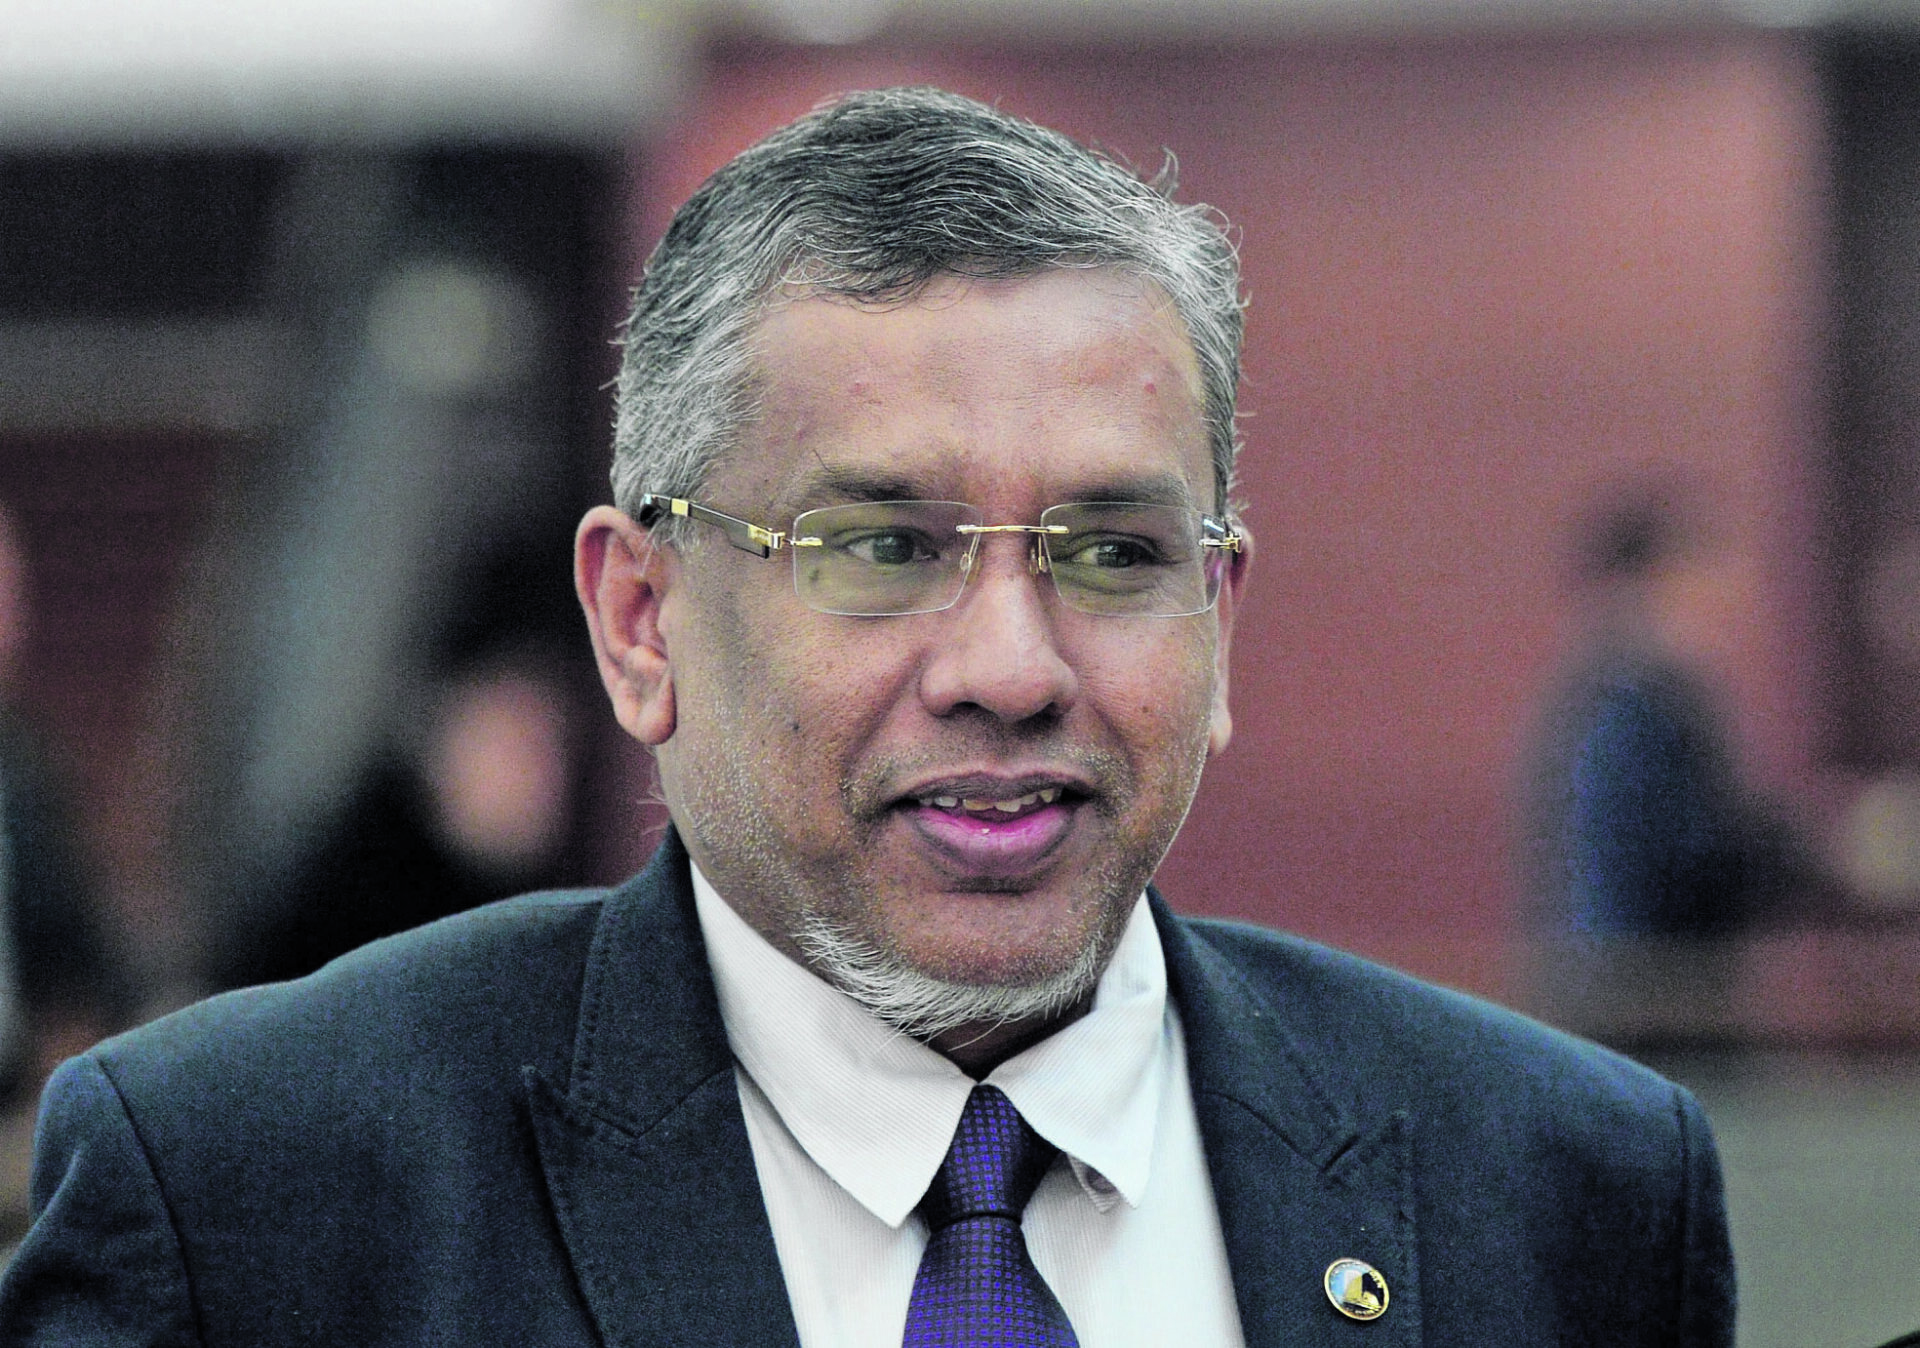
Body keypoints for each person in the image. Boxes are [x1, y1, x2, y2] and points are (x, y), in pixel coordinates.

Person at [0, 88, 1734, 1345]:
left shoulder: (1566, 1191)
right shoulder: (251, 1200)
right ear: (640, 623)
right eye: (882, 548)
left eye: (1114, 553)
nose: (1011, 667)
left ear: (1217, 620)